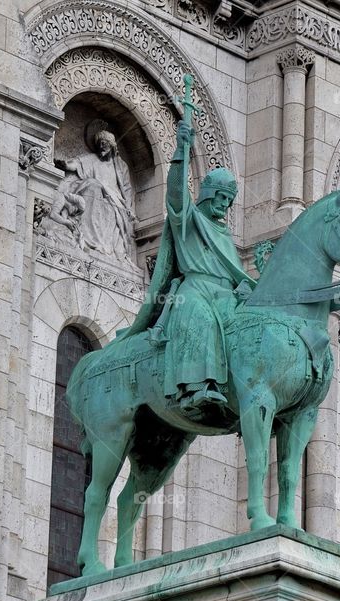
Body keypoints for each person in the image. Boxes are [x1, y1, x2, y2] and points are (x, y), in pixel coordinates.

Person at [115, 121, 255, 417]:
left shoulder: (224, 235)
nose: (223, 206)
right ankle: (196, 388)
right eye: (219, 198)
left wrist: (245, 287)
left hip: (225, 295)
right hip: (194, 291)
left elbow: (235, 273)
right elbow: (176, 195)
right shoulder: (187, 220)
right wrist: (181, 151)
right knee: (200, 317)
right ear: (208, 195)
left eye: (228, 202)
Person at [54, 129, 136, 261]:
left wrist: (128, 208)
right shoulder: (92, 159)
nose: (101, 146)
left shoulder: (121, 166)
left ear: (111, 145)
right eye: (99, 144)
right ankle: (89, 240)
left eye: (104, 143)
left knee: (104, 200)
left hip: (114, 201)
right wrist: (65, 165)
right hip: (95, 194)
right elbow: (77, 164)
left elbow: (126, 188)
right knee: (93, 185)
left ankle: (102, 245)